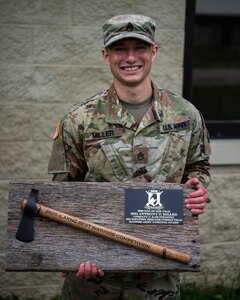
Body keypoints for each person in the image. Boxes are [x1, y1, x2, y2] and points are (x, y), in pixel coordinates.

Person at [48, 14, 211, 300]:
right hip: (94, 279)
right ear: (105, 55)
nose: (131, 57)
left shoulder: (186, 115)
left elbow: (198, 166)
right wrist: (72, 253)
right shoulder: (80, 120)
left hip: (160, 278)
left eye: (140, 47)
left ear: (154, 52)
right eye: (120, 48)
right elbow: (61, 194)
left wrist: (197, 186)